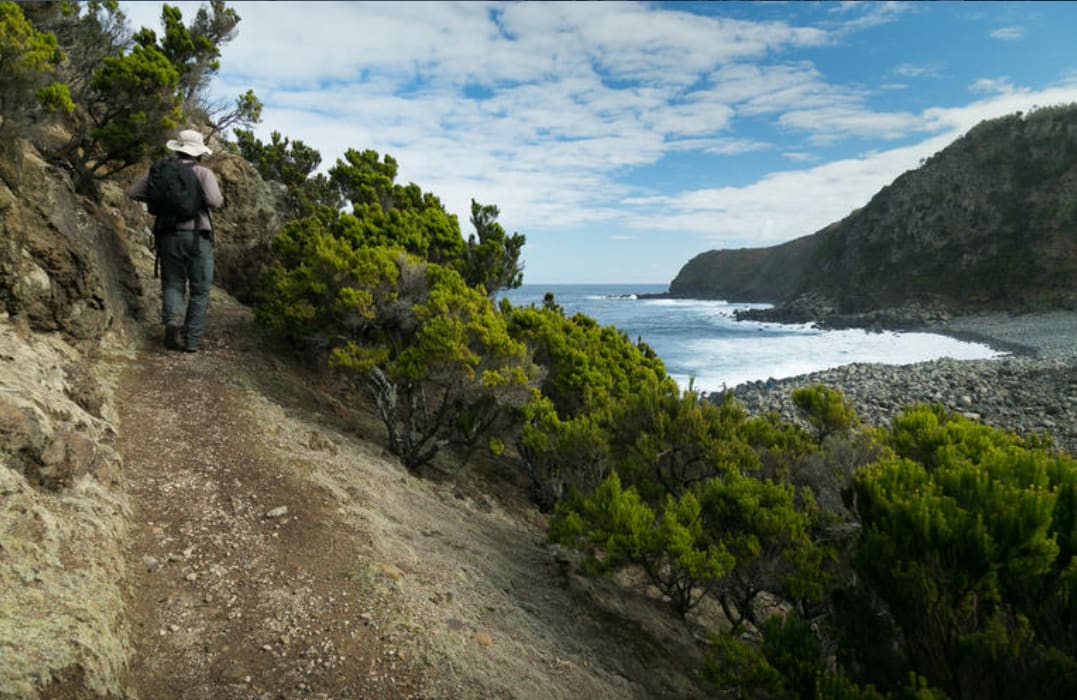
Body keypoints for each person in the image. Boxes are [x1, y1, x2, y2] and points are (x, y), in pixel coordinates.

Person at [127, 129, 223, 353]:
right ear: (198, 152)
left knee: (173, 283)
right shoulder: (203, 173)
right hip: (198, 236)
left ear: (178, 149)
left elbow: (133, 192)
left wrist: (161, 200)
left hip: (168, 235)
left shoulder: (161, 171)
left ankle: (173, 325)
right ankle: (192, 339)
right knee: (200, 289)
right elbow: (215, 201)